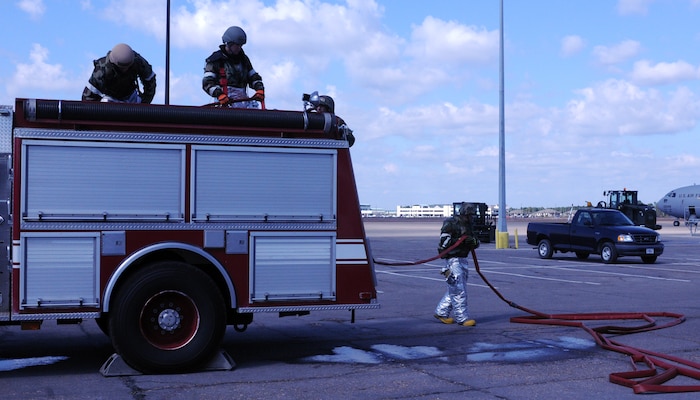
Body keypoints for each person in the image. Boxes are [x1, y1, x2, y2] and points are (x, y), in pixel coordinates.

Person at [434, 202, 479, 327]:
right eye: (469, 215)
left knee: (456, 288)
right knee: (459, 290)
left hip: (463, 258)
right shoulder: (451, 223)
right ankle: (462, 318)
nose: (471, 218)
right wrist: (461, 241)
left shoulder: (469, 225)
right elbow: (444, 242)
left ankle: (441, 312)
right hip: (453, 259)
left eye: (472, 215)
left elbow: (476, 241)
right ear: (464, 214)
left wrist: (473, 241)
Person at [202, 26, 264, 108]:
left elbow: (253, 77)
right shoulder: (216, 60)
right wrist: (219, 95)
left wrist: (259, 89)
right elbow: (207, 82)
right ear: (229, 43)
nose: (239, 48)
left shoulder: (243, 59)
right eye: (237, 45)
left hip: (243, 104)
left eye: (241, 45)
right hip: (225, 105)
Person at [82, 43, 156, 103]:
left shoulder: (138, 61)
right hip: (110, 99)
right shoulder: (102, 69)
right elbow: (88, 97)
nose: (125, 70)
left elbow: (150, 81)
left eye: (127, 67)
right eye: (122, 68)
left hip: (131, 97)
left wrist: (144, 103)